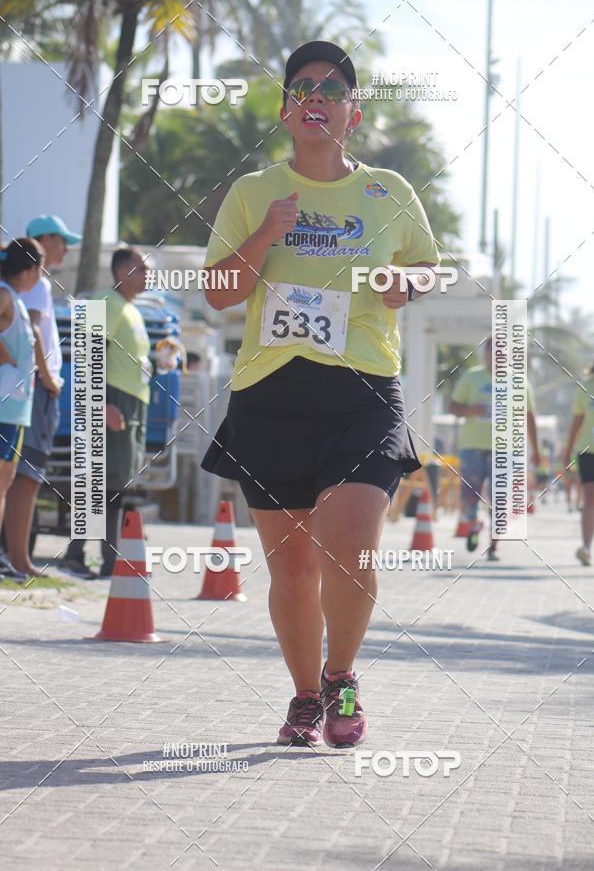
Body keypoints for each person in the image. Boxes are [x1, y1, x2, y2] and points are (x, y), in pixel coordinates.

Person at [200, 41, 440, 748]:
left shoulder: (389, 192)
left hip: (363, 390)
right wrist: (266, 235)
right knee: (295, 566)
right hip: (270, 394)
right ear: (284, 111)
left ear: (352, 114)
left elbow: (429, 265)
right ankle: (305, 696)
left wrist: (412, 284)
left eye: (331, 89)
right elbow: (217, 294)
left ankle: (341, 677)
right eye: (302, 87)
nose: (315, 97)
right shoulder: (252, 193)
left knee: (352, 544)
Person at [61, 248, 151, 577]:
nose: (147, 275)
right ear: (122, 271)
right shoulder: (104, 303)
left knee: (114, 483)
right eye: (142, 269)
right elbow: (87, 354)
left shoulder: (131, 309)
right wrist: (102, 403)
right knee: (103, 484)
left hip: (131, 401)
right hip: (113, 401)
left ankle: (104, 559)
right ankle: (89, 558)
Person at [4, 215, 81, 576]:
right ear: (42, 241)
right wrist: (49, 378)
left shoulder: (31, 284)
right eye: (61, 240)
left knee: (21, 476)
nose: (65, 249)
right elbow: (32, 330)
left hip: (30, 390)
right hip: (29, 392)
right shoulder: (29, 284)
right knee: (24, 477)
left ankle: (18, 560)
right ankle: (18, 561)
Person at [449, 337, 540, 560]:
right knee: (470, 494)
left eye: (501, 352)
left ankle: (494, 545)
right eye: (492, 352)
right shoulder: (471, 377)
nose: (496, 356)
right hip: (472, 445)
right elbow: (454, 407)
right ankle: (474, 523)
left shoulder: (519, 382)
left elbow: (529, 417)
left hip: (504, 448)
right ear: (485, 354)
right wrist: (472, 410)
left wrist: (536, 449)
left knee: (499, 496)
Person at [0, 239, 45, 581]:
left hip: (15, 409)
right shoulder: (4, 295)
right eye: (40, 269)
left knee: (5, 482)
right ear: (30, 269)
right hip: (5, 407)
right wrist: (7, 357)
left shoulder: (14, 299)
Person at [563, 350, 594, 566]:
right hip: (589, 450)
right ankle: (586, 547)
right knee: (591, 494)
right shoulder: (586, 386)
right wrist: (567, 450)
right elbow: (576, 421)